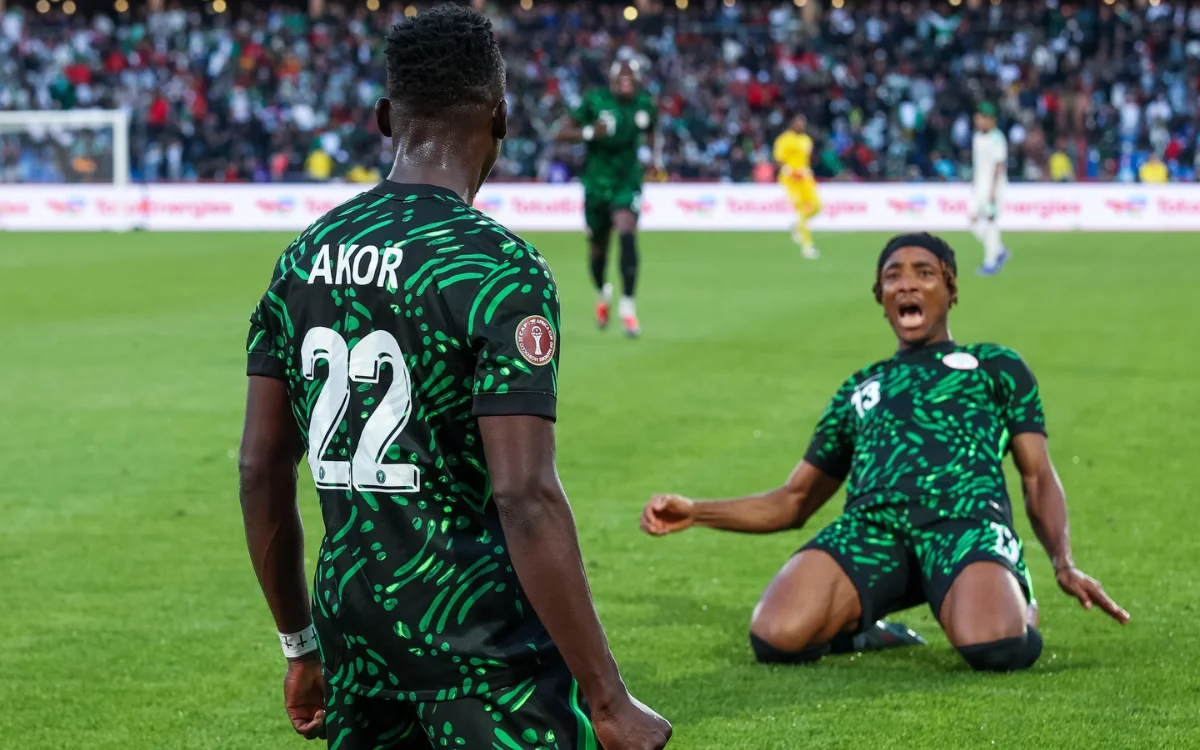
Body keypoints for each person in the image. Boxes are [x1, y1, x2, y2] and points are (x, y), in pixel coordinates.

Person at [238, 7, 671, 749]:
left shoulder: (303, 257)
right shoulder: (496, 267)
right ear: (500, 117)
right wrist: (606, 697)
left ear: (383, 117)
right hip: (478, 636)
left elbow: (259, 465)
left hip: (356, 633)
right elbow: (524, 495)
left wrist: (298, 645)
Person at [640, 233, 1129, 672]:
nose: (907, 285)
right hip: (873, 531)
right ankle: (864, 632)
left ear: (951, 288)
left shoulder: (995, 365)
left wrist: (1062, 562)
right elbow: (794, 500)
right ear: (881, 297)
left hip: (965, 525)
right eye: (893, 276)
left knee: (995, 646)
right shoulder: (860, 387)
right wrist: (696, 511)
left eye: (924, 273)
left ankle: (1011, 596)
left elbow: (1038, 476)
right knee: (776, 636)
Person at [555, 59, 660, 337]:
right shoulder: (594, 101)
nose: (626, 80)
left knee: (627, 233)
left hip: (627, 181)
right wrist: (590, 132)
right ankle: (603, 293)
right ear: (612, 80)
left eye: (631, 76)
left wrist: (653, 160)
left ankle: (628, 306)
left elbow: (651, 131)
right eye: (621, 76)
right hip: (597, 183)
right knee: (598, 249)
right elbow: (562, 133)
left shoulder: (645, 104)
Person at [772, 114, 822, 259]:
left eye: (803, 123)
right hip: (790, 180)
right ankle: (807, 246)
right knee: (801, 209)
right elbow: (778, 159)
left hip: (805, 178)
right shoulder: (784, 140)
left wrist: (806, 170)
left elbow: (806, 159)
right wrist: (788, 170)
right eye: (799, 123)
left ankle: (796, 225)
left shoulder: (807, 140)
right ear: (793, 124)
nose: (801, 126)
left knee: (817, 207)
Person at [970, 103, 1010, 275]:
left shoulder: (997, 138)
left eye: (981, 118)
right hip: (979, 185)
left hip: (993, 186)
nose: (978, 122)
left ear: (990, 119)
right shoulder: (977, 137)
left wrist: (993, 189)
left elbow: (998, 165)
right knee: (972, 221)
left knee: (991, 221)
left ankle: (990, 262)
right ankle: (999, 250)